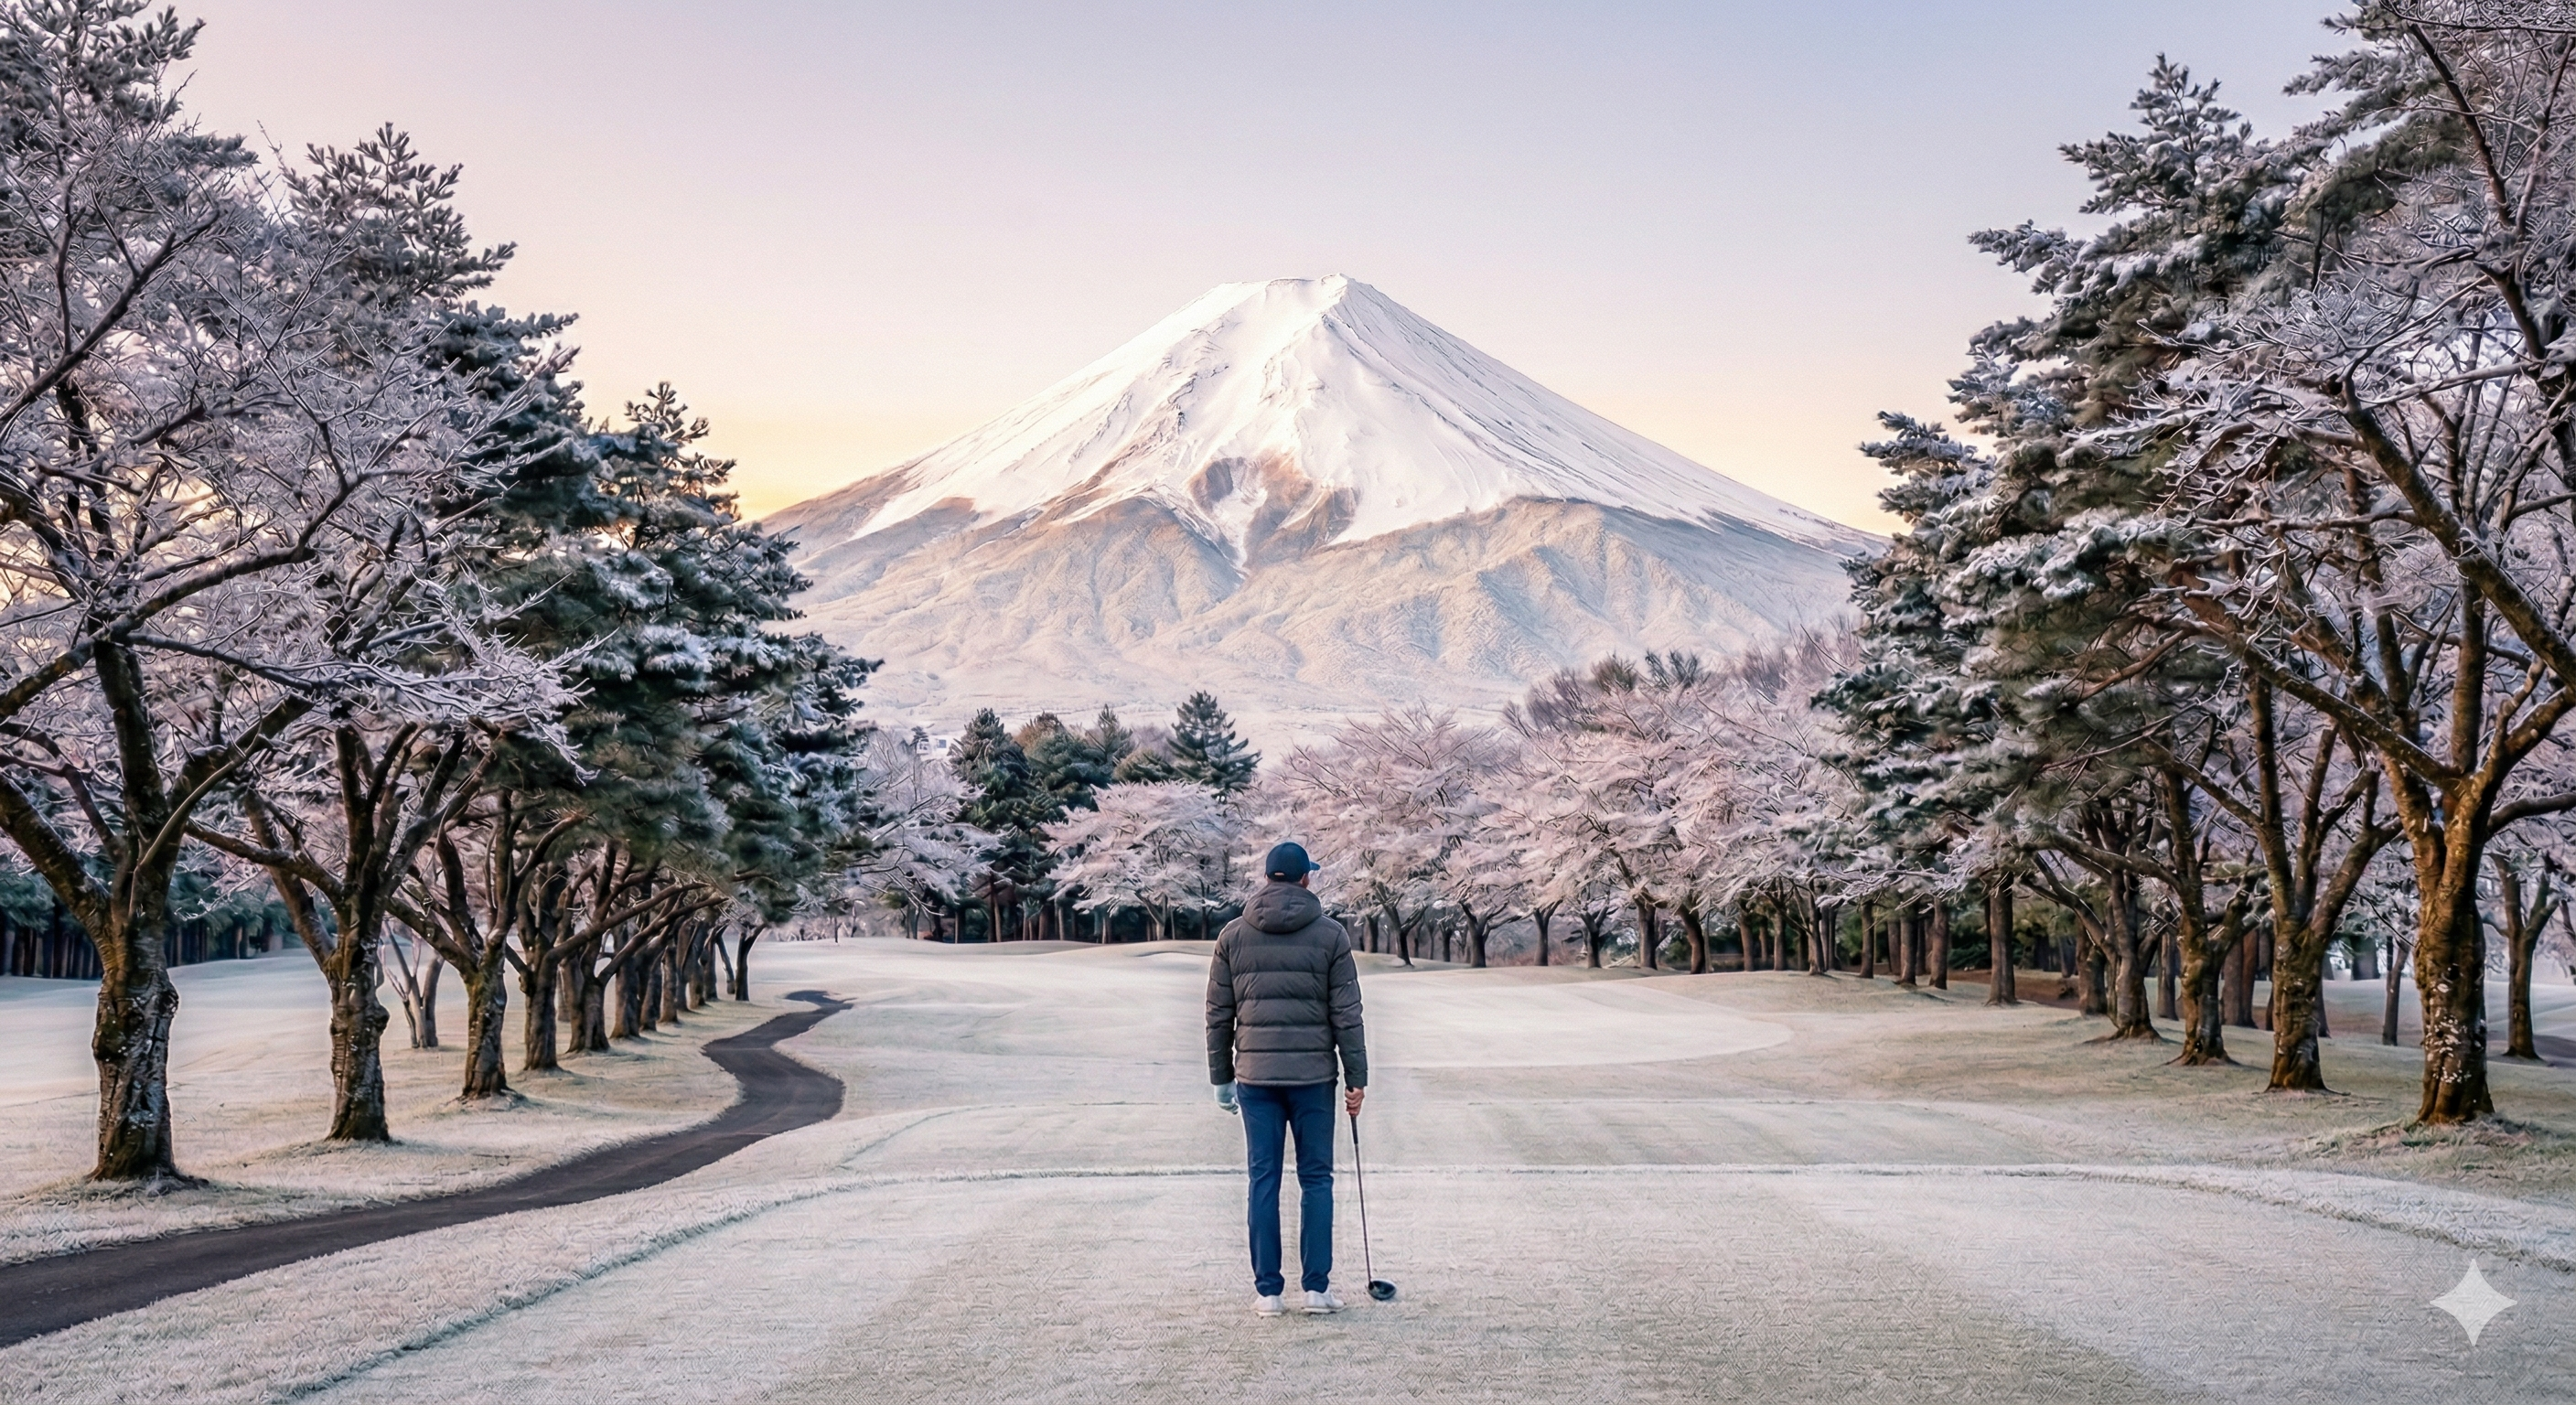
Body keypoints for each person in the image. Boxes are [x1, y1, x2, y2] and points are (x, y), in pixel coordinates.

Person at [1206, 841, 1368, 1316]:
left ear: (1267, 878)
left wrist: (1221, 1079)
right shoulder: (1331, 935)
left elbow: (1218, 1015)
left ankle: (1268, 1293)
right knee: (1316, 1179)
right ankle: (1316, 1289)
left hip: (1255, 1077)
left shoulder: (1232, 936)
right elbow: (1347, 1014)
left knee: (1264, 1180)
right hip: (1314, 1077)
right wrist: (1356, 1077)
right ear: (1305, 879)